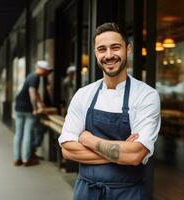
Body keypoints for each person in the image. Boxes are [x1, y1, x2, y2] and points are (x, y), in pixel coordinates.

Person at [58, 23, 161, 199]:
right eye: (102, 49)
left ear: (128, 49)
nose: (109, 55)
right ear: (96, 53)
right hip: (86, 192)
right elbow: (68, 151)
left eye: (115, 47)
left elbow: (136, 154)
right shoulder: (83, 94)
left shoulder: (146, 95)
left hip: (128, 193)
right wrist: (120, 153)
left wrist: (87, 139)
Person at [13, 60, 53, 167]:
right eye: (47, 71)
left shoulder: (31, 76)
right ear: (42, 69)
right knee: (27, 134)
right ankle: (26, 159)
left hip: (18, 107)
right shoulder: (35, 77)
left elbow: (35, 93)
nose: (48, 73)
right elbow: (32, 93)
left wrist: (41, 103)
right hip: (27, 109)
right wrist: (35, 108)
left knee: (18, 134)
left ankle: (17, 159)